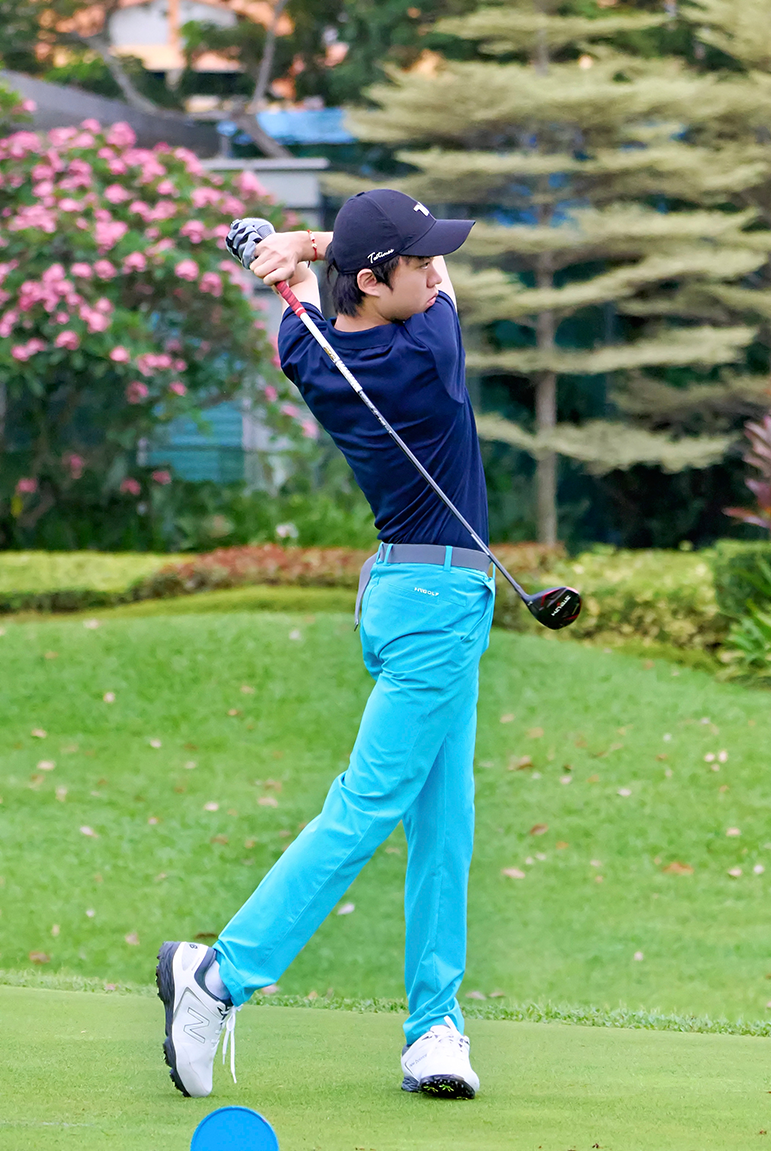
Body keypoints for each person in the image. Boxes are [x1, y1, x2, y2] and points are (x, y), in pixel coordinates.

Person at [156, 189, 495, 1102]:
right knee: (370, 803)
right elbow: (419, 282)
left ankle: (434, 1026)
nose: (434, 270)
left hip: (404, 592)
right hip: (434, 605)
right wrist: (301, 245)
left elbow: (314, 288)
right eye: (417, 262)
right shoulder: (428, 351)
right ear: (377, 280)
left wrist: (290, 250)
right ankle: (221, 974)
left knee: (442, 821)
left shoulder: (305, 346)